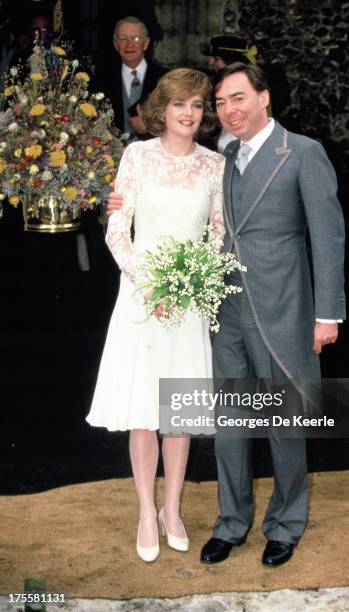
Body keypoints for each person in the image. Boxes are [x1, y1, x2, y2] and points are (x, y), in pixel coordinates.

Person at [107, 63, 345, 567]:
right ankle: (231, 523)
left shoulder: (302, 152)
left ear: (264, 98)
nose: (227, 110)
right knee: (231, 423)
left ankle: (285, 524)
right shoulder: (223, 156)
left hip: (283, 308)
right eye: (221, 102)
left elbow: (328, 236)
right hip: (221, 308)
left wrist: (328, 314)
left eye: (237, 98)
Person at [86, 68, 225, 563]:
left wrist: (194, 279)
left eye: (197, 105)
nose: (189, 113)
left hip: (187, 302)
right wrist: (151, 285)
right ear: (162, 109)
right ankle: (146, 510)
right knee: (145, 412)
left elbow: (218, 233)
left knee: (178, 412)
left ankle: (172, 509)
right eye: (179, 104)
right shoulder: (137, 156)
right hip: (142, 297)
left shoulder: (214, 166)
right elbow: (117, 230)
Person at [106, 16, 167, 141]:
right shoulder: (100, 82)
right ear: (116, 45)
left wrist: (151, 128)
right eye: (123, 38)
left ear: (146, 43)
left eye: (136, 38)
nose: (129, 44)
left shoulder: (166, 79)